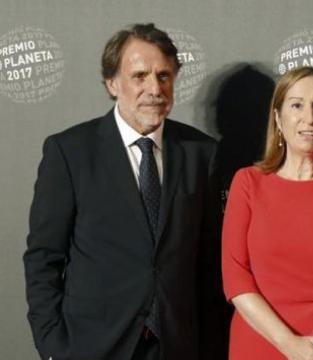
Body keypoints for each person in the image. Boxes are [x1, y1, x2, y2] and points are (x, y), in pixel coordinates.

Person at [23, 23, 226, 360]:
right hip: (93, 345)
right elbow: (43, 257)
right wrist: (51, 344)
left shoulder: (201, 153)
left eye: (164, 76)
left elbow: (207, 263)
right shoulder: (70, 151)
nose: (154, 88)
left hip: (177, 346)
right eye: (140, 76)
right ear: (112, 83)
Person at [222, 66, 313, 360]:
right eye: (297, 105)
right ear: (278, 118)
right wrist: (290, 346)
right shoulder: (247, 183)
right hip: (259, 342)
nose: (310, 118)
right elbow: (236, 277)